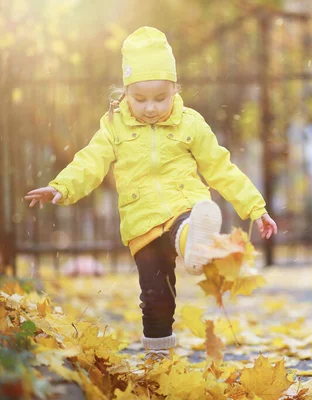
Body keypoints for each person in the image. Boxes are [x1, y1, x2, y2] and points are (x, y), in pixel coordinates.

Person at [24, 26, 277, 362]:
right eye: (139, 99)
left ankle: (195, 244)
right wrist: (61, 187)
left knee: (185, 226)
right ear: (125, 92)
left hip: (183, 205)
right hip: (140, 222)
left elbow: (221, 167)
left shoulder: (190, 123)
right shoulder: (114, 126)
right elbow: (91, 160)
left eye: (161, 97)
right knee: (156, 295)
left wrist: (255, 208)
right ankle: (159, 357)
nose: (150, 107)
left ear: (175, 89)